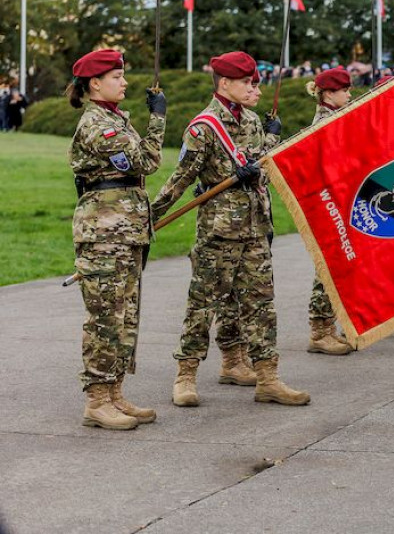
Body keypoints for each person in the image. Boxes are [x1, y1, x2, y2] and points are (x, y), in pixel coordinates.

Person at [152, 51, 309, 406]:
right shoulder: (203, 128)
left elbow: (260, 167)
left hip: (254, 229)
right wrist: (148, 218)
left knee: (261, 305)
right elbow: (180, 179)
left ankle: (268, 378)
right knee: (202, 307)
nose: (254, 87)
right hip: (219, 232)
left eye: (254, 82)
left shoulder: (253, 121)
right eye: (247, 82)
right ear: (225, 83)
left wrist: (270, 144)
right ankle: (185, 377)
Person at [67, 49, 167, 430]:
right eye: (116, 76)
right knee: (105, 318)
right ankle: (96, 400)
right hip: (104, 234)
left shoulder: (115, 119)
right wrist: (157, 118)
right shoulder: (99, 125)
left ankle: (114, 393)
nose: (124, 82)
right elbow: (146, 163)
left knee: (124, 316)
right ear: (94, 83)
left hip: (124, 231)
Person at [303, 68, 358, 354]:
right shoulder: (324, 123)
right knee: (328, 267)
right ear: (328, 94)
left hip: (342, 199)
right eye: (345, 90)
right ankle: (319, 330)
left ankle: (329, 327)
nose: (350, 95)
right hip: (330, 202)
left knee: (339, 266)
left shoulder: (336, 117)